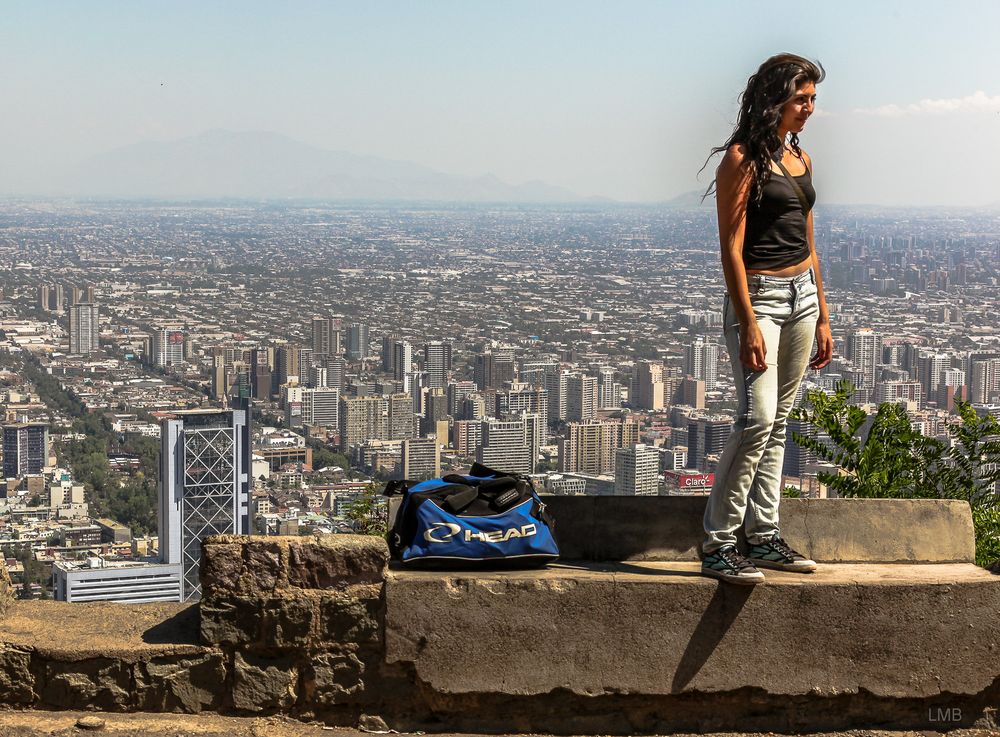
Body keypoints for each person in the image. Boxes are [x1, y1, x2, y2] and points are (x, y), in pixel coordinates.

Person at [698, 53, 833, 584]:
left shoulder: (800, 158)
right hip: (760, 296)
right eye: (800, 99)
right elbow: (730, 248)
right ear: (774, 98)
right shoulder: (740, 159)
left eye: (813, 100)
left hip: (802, 296)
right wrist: (747, 320)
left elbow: (809, 238)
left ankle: (764, 536)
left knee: (779, 422)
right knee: (755, 419)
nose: (808, 109)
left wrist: (823, 312)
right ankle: (718, 543)